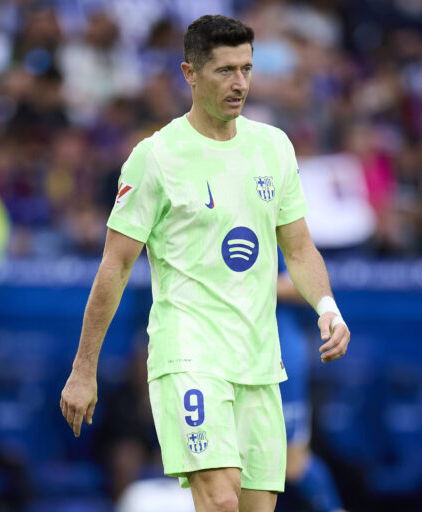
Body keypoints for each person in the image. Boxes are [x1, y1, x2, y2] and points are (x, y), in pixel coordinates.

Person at [60, 14, 351, 512]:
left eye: (247, 69)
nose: (239, 83)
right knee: (220, 499)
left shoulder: (273, 148)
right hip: (189, 355)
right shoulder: (155, 158)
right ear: (190, 74)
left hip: (260, 361)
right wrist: (83, 369)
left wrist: (327, 306)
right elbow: (115, 266)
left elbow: (299, 249)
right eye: (224, 71)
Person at [276, 268, 346, 512]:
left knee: (292, 460)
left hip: (279, 355)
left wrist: (247, 283)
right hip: (226, 355)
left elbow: (302, 283)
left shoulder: (270, 230)